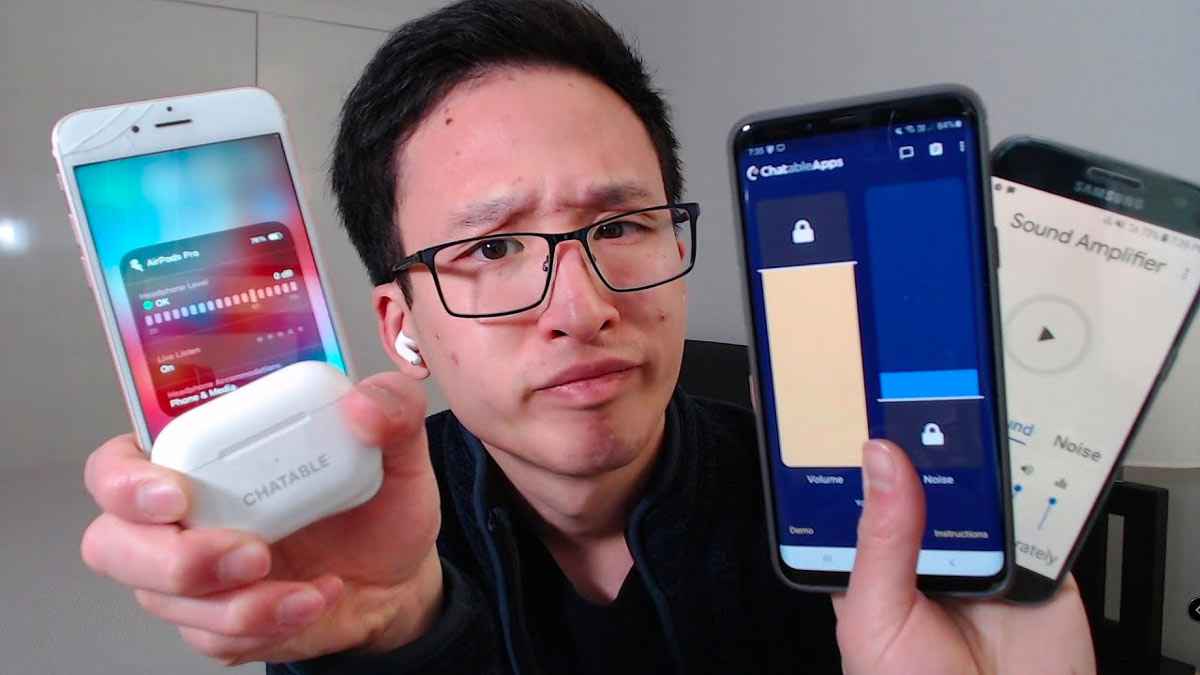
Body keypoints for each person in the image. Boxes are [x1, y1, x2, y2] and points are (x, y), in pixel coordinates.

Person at [79, 1, 1096, 673]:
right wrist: (399, 640)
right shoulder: (356, 544)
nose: (581, 306)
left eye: (620, 227)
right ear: (405, 327)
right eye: (492, 248)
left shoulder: (851, 518)